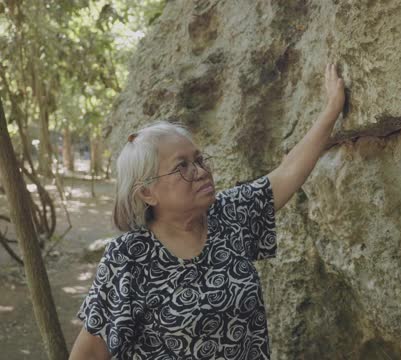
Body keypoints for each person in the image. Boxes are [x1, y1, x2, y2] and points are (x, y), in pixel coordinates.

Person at [69, 63, 345, 359]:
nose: (201, 172)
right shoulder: (128, 258)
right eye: (182, 166)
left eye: (199, 160)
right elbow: (90, 352)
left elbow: (288, 172)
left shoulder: (228, 215)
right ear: (147, 193)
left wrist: (331, 110)